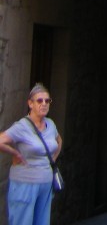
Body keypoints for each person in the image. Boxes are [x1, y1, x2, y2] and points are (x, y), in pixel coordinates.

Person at [0, 83, 62, 225]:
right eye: (39, 100)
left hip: (45, 184)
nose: (44, 104)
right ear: (30, 103)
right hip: (24, 184)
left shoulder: (50, 124)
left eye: (47, 101)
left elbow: (59, 141)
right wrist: (14, 152)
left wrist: (52, 160)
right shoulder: (22, 126)